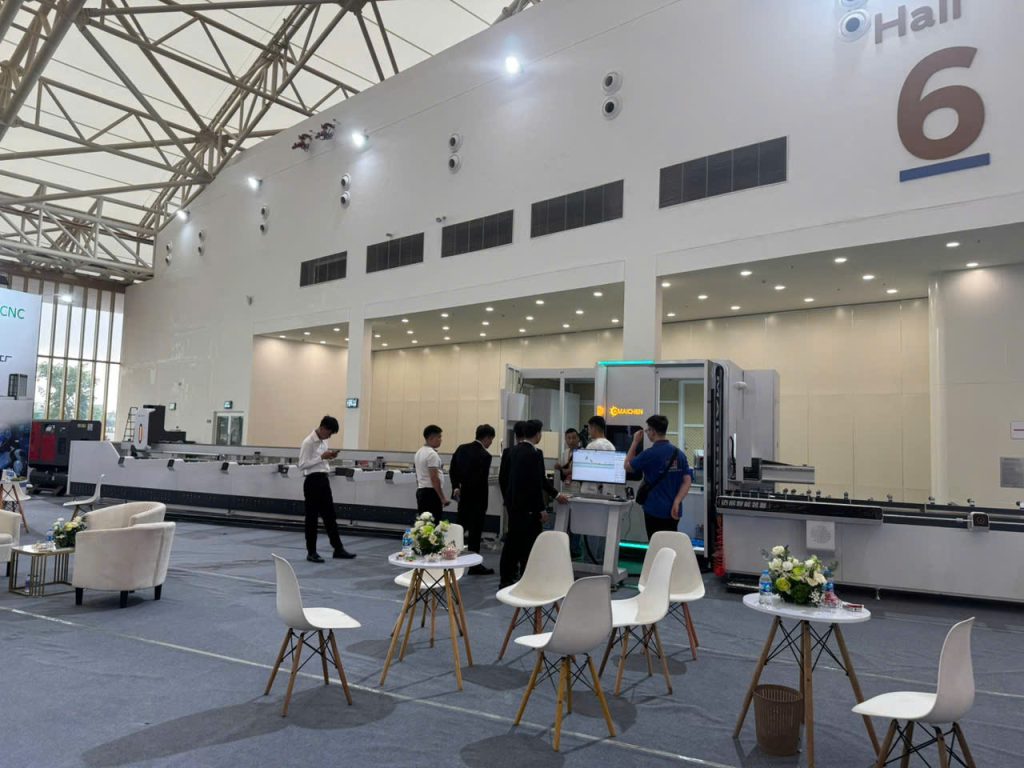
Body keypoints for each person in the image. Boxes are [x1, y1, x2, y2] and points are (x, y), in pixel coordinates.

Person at [499, 419, 569, 588]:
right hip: (529, 508)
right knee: (530, 544)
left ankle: (506, 578)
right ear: (538, 434)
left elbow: (504, 479)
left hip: (513, 505)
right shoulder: (535, 453)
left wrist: (508, 500)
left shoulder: (511, 451)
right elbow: (537, 483)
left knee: (512, 542)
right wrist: (542, 508)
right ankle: (527, 578)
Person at [625, 414, 692, 541]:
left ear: (653, 431)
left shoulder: (649, 454)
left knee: (656, 544)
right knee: (670, 544)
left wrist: (635, 442)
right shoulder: (679, 454)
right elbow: (687, 481)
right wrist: (677, 501)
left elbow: (627, 466)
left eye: (647, 430)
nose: (647, 433)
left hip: (654, 510)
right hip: (674, 511)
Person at [298, 416, 355, 562]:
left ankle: (338, 549)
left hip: (323, 480)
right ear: (323, 428)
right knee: (312, 518)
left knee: (330, 516)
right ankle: (311, 552)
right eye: (329, 433)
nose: (329, 437)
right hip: (312, 481)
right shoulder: (308, 442)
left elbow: (321, 461)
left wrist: (329, 456)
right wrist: (322, 457)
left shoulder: (324, 441)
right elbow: (302, 465)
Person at [449, 424, 496, 575]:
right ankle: (474, 566)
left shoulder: (461, 449)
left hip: (463, 497)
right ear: (487, 438)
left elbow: (452, 469)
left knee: (458, 530)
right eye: (491, 440)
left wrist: (456, 486)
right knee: (475, 535)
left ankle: (448, 558)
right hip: (478, 499)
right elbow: (480, 481)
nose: (491, 443)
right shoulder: (485, 456)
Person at [414, 424, 449, 519]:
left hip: (421, 491)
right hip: (431, 493)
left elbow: (417, 475)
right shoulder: (432, 454)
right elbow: (434, 478)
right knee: (434, 522)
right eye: (439, 437)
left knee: (424, 522)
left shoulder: (419, 452)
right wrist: (442, 498)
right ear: (431, 438)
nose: (441, 440)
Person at [498, 420, 527, 505]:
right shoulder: (533, 452)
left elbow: (502, 477)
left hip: (511, 499)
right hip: (527, 500)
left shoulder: (507, 452)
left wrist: (506, 498)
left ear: (515, 435)